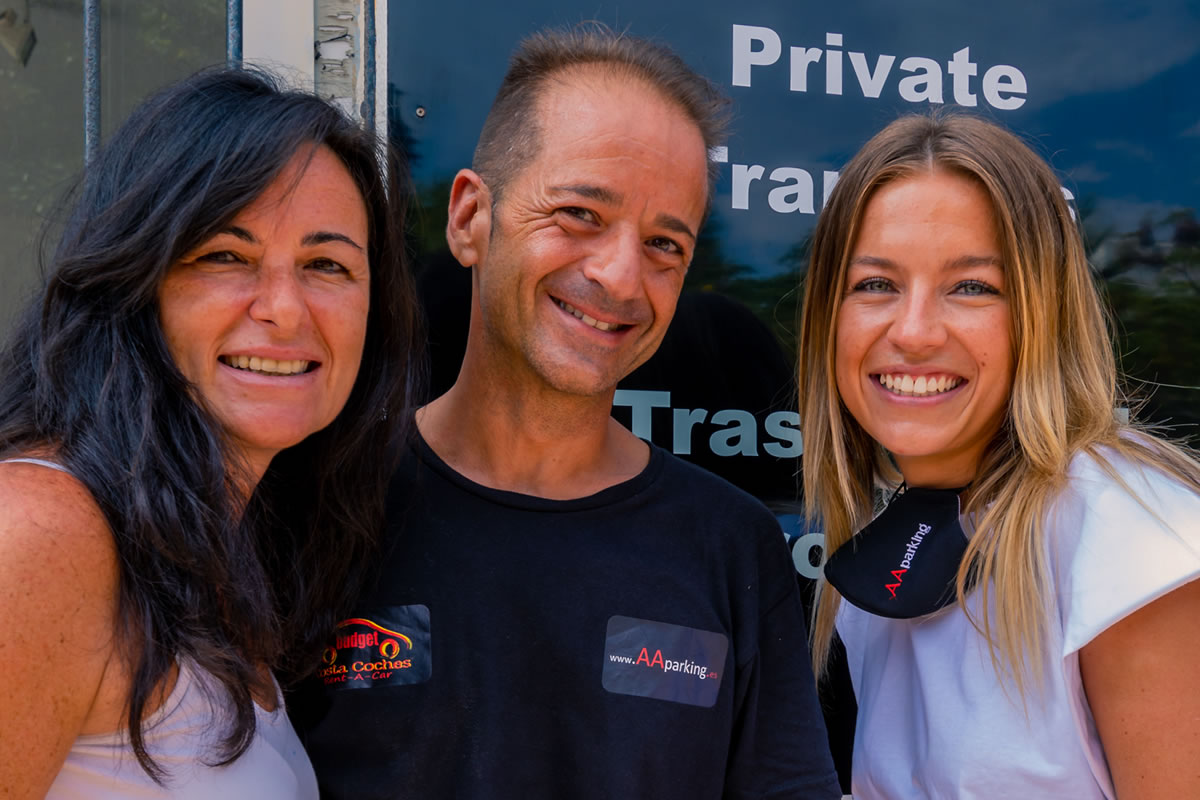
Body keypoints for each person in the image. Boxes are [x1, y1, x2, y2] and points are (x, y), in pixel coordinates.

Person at [289, 25, 841, 800]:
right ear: (470, 217)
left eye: (665, 245)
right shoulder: (315, 506)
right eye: (580, 213)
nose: (621, 276)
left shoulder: (732, 549)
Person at [0, 67, 418, 797]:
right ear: (136, 280)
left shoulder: (229, 555)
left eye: (327, 265)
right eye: (227, 256)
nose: (284, 310)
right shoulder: (41, 530)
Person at [796, 110, 1200, 798]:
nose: (914, 332)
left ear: (1042, 315)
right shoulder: (878, 566)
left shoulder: (1130, 545)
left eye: (972, 287)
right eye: (875, 285)